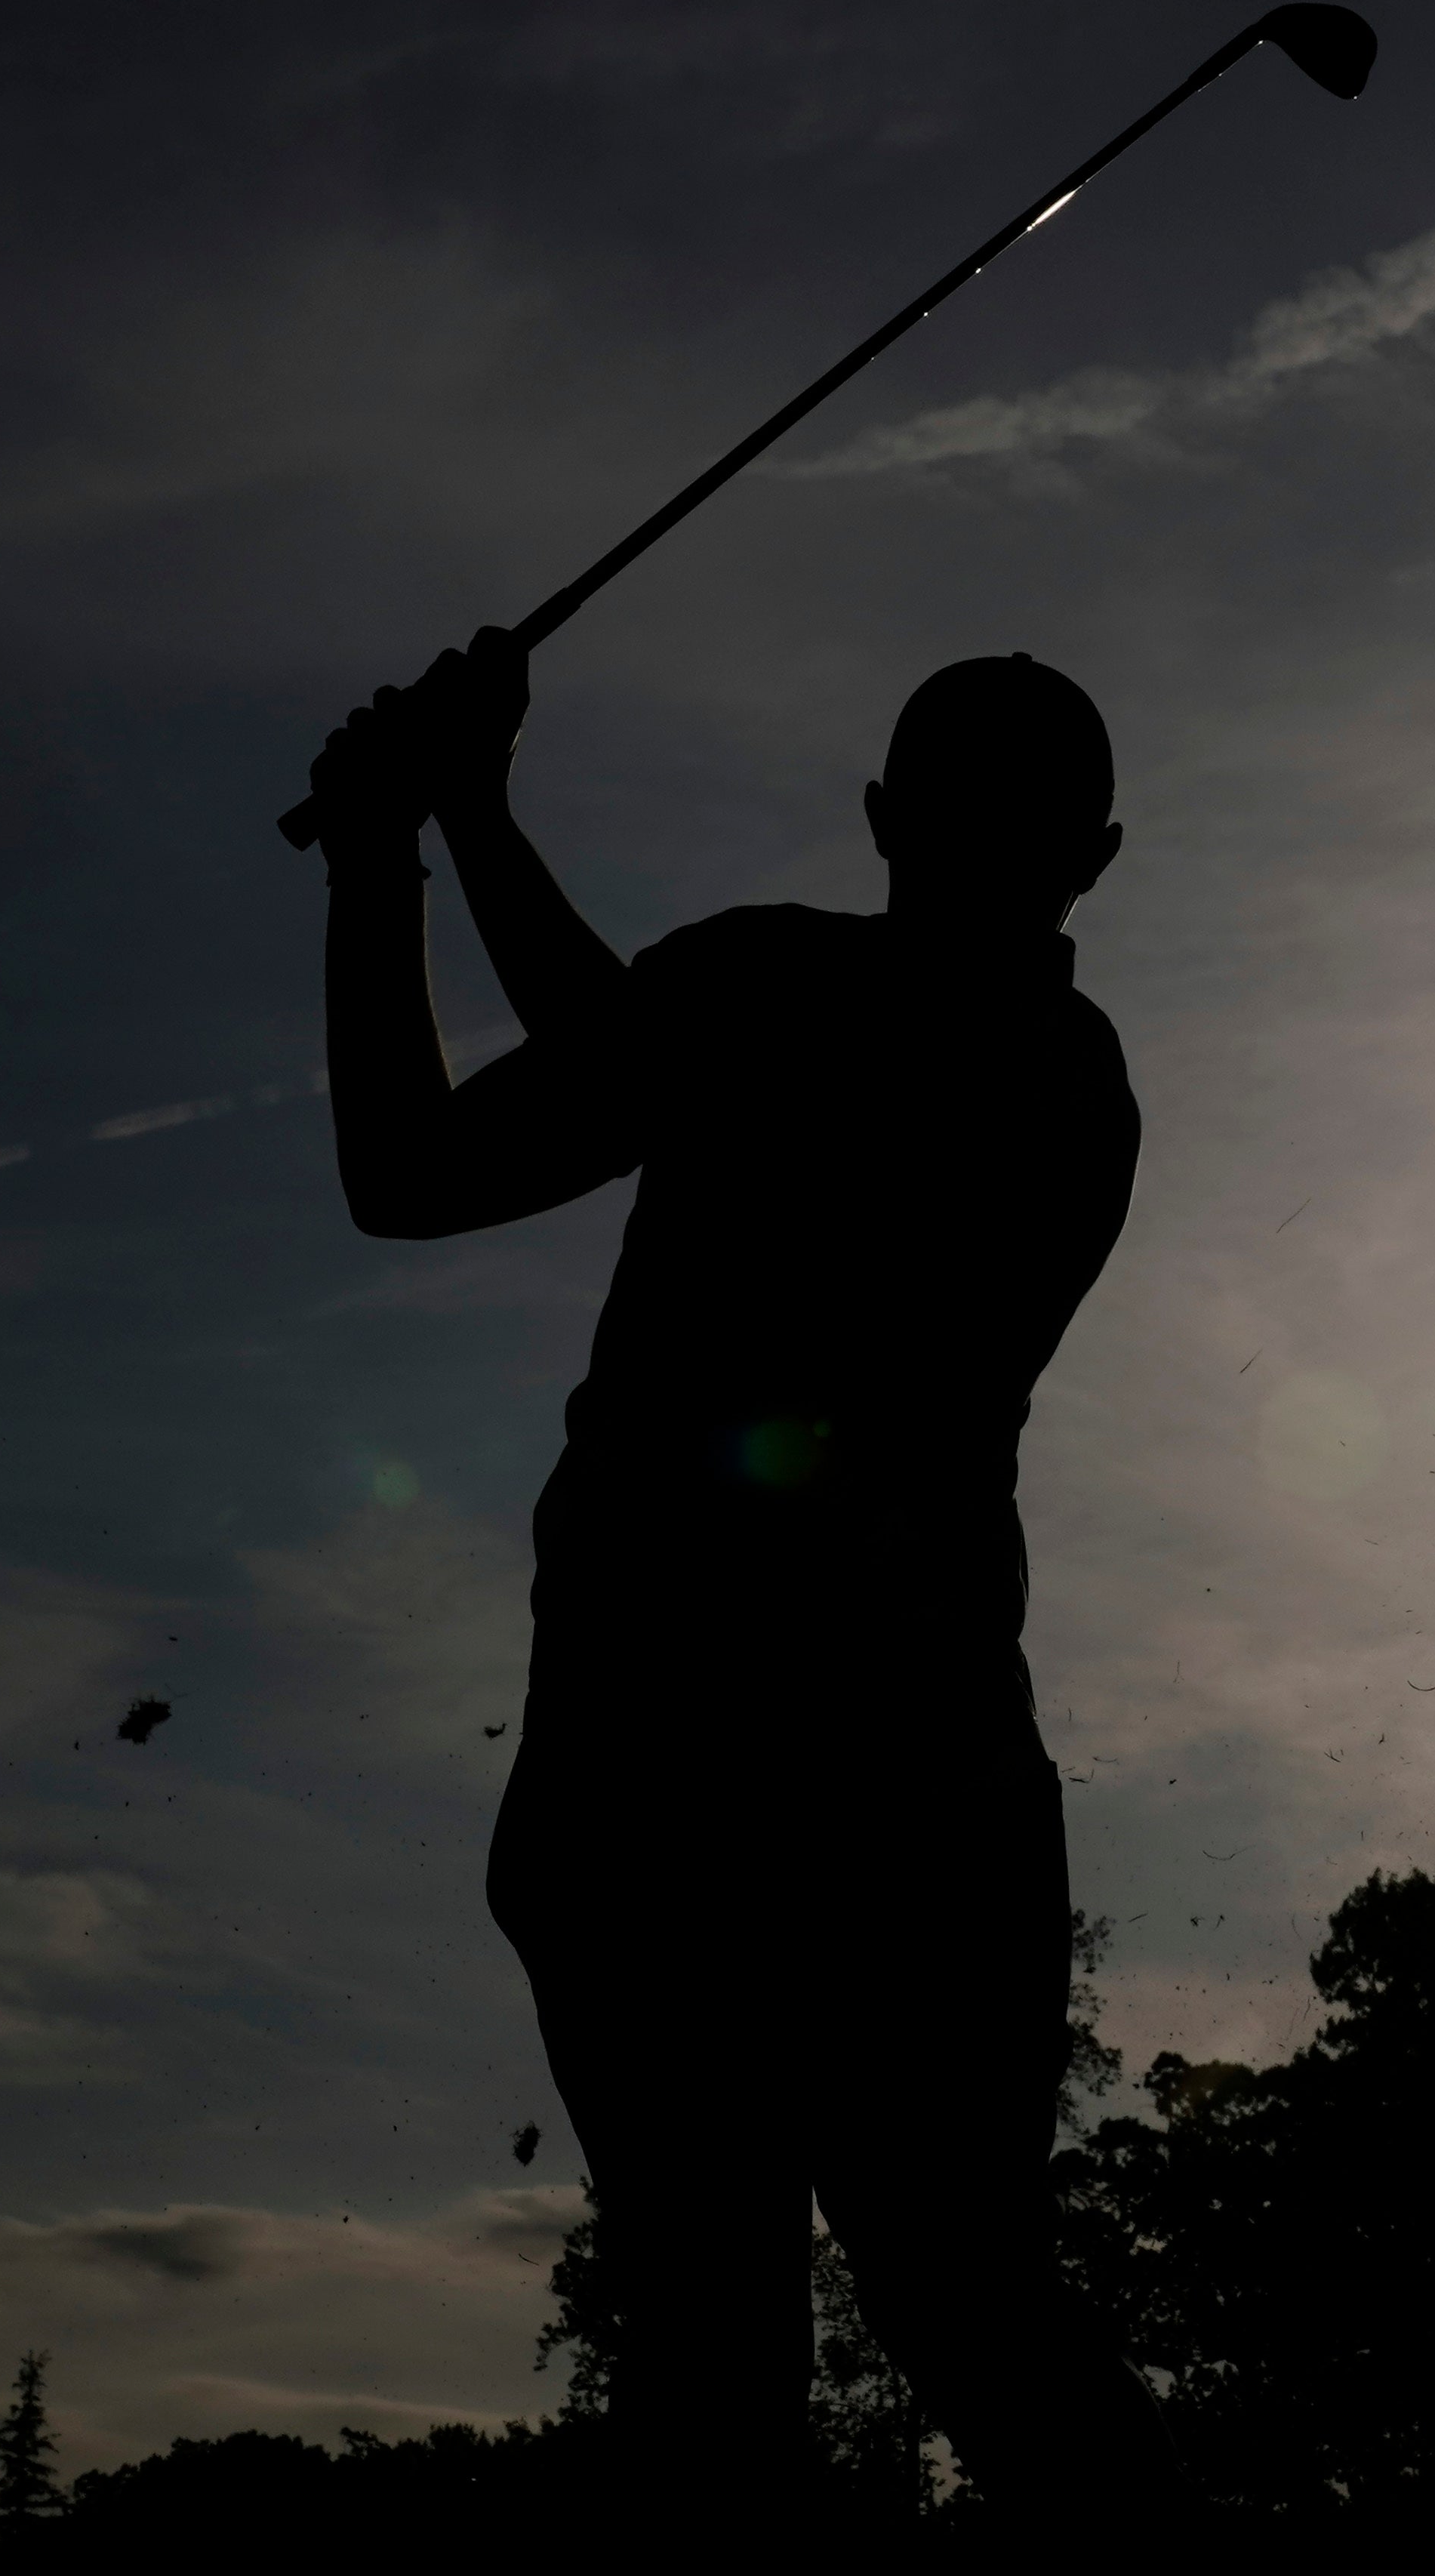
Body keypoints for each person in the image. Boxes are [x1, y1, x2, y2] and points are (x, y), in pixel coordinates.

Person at [306, 629, 1182, 2529]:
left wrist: (420, 830)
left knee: (745, 2362)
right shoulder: (1053, 1081)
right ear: (1097, 860)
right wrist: (430, 836)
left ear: (881, 819)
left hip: (688, 1784)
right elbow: (561, 1106)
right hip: (885, 1797)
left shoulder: (846, 1021)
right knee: (954, 2318)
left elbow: (545, 1122)